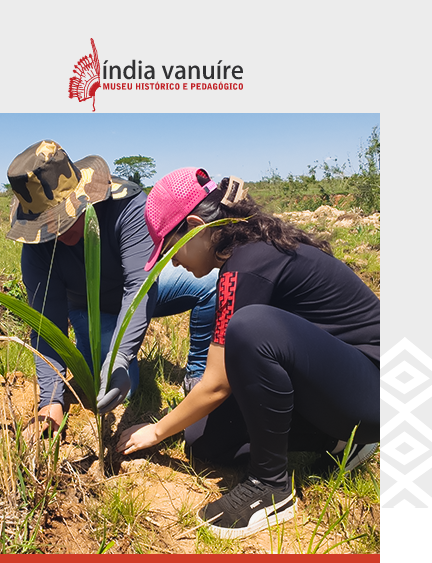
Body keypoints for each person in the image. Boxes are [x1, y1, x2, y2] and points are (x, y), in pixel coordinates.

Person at [117, 167, 380, 539]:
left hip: (374, 386)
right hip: (336, 384)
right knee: (203, 439)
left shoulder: (250, 264)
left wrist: (155, 432)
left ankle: (270, 487)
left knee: (251, 327)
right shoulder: (246, 254)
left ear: (196, 226)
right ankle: (337, 441)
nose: (173, 262)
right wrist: (176, 428)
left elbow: (216, 384)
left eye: (172, 248)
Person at [4, 141, 217, 440]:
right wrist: (50, 399)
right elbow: (46, 323)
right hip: (92, 308)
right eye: (51, 227)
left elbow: (139, 288)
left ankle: (196, 373)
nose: (60, 234)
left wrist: (120, 356)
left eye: (65, 221)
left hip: (139, 292)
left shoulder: (125, 206)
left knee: (211, 283)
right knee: (112, 393)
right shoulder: (38, 249)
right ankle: (99, 349)